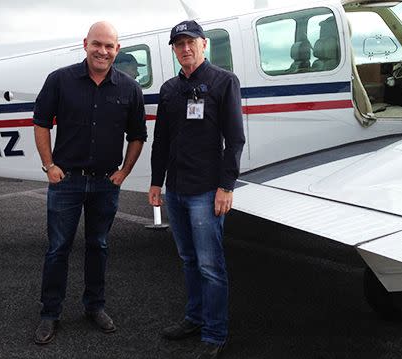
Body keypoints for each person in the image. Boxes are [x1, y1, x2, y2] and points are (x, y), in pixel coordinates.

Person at [32, 21, 147, 345]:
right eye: (97, 44)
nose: (103, 51)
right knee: (57, 249)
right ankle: (50, 313)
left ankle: (94, 306)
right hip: (66, 181)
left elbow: (138, 135)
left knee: (98, 246)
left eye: (109, 46)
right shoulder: (60, 80)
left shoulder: (129, 89)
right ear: (85, 44)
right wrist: (49, 165)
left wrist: (124, 171)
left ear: (118, 50)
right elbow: (41, 123)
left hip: (105, 185)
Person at [148, 20, 245, 359]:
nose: (185, 48)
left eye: (191, 42)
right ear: (174, 49)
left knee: (210, 265)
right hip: (175, 190)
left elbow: (234, 140)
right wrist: (156, 182)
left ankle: (215, 333)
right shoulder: (170, 89)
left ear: (204, 44)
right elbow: (161, 140)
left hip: (207, 191)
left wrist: (225, 186)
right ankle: (194, 318)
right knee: (188, 260)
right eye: (179, 44)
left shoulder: (223, 82)